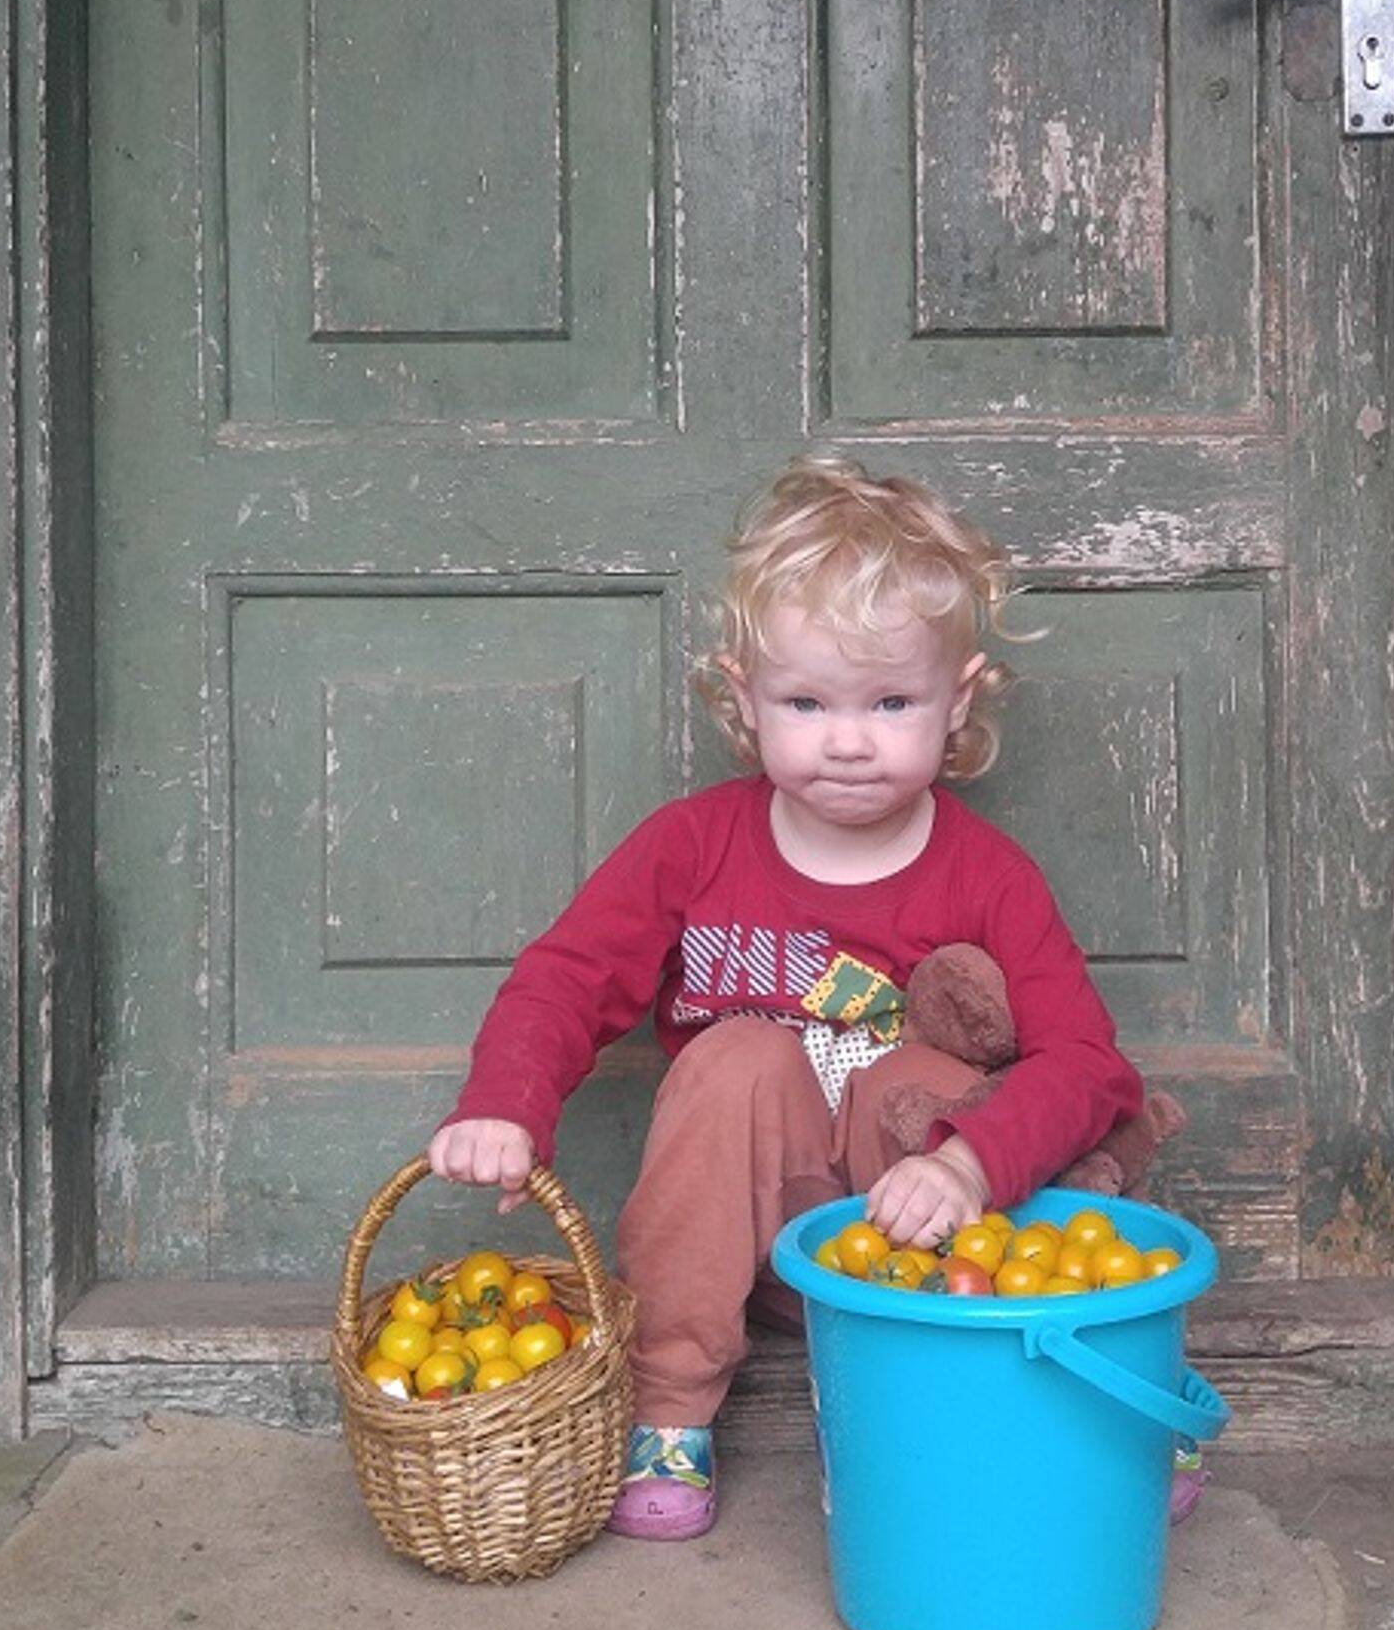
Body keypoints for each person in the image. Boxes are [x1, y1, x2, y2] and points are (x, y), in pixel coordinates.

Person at [427, 457, 1151, 1540]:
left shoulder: (987, 874)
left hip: (910, 1251)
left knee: (915, 1079)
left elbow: (1088, 1065)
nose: (848, 739)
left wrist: (966, 1160)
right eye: (806, 701)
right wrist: (504, 1102)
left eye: (891, 701)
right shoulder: (693, 846)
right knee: (739, 1055)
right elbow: (567, 976)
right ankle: (667, 1409)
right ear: (744, 694)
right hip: (738, 1245)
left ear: (956, 701)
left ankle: (955, 1404)